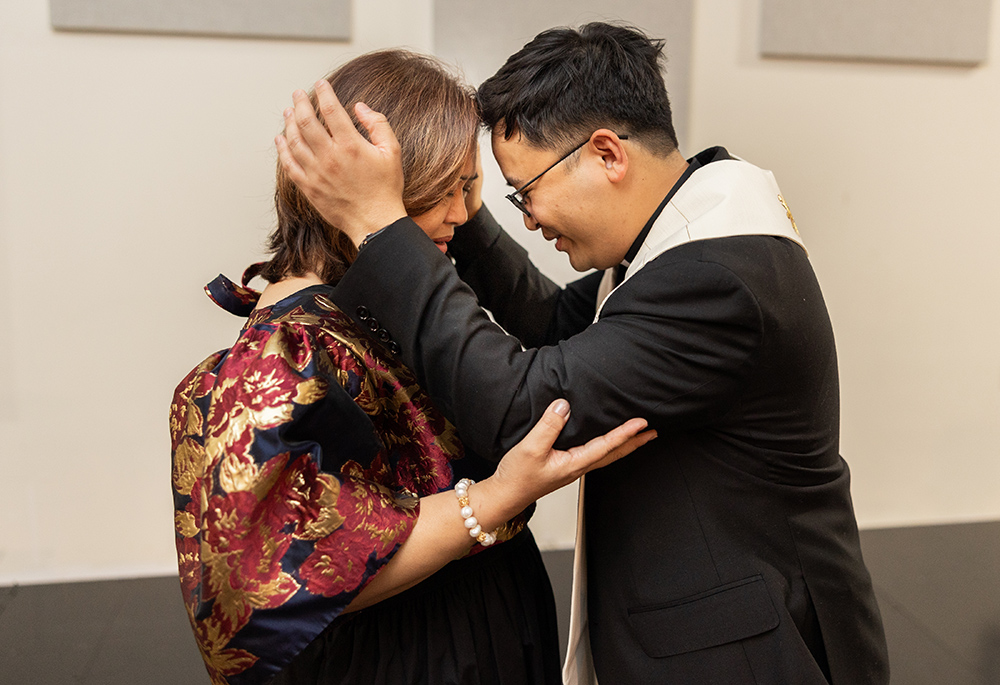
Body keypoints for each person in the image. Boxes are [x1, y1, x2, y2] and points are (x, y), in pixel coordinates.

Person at [274, 21, 891, 685]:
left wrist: (381, 225)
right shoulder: (684, 224)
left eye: (525, 191)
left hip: (748, 650)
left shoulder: (717, 276)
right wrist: (461, 210)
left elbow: (526, 405)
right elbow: (559, 321)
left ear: (607, 155)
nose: (529, 218)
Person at [170, 48, 654, 685]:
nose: (462, 214)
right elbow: (265, 585)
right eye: (448, 190)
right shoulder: (275, 359)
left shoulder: (378, 308)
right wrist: (493, 499)